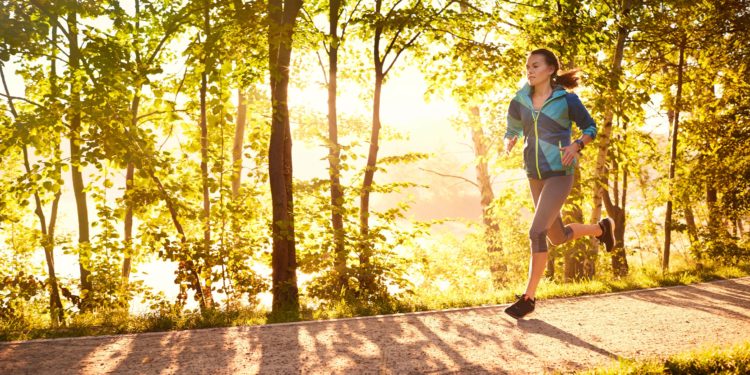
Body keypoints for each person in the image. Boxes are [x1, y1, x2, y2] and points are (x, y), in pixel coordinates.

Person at [502, 48, 616, 319]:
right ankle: (601, 229)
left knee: (536, 232)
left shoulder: (566, 100)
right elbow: (514, 126)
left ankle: (528, 298)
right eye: (528, 66)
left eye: (536, 66)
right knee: (557, 236)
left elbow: (590, 128)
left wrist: (577, 146)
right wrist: (510, 138)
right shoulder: (520, 100)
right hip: (534, 173)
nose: (529, 70)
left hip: (560, 173)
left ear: (551, 69)